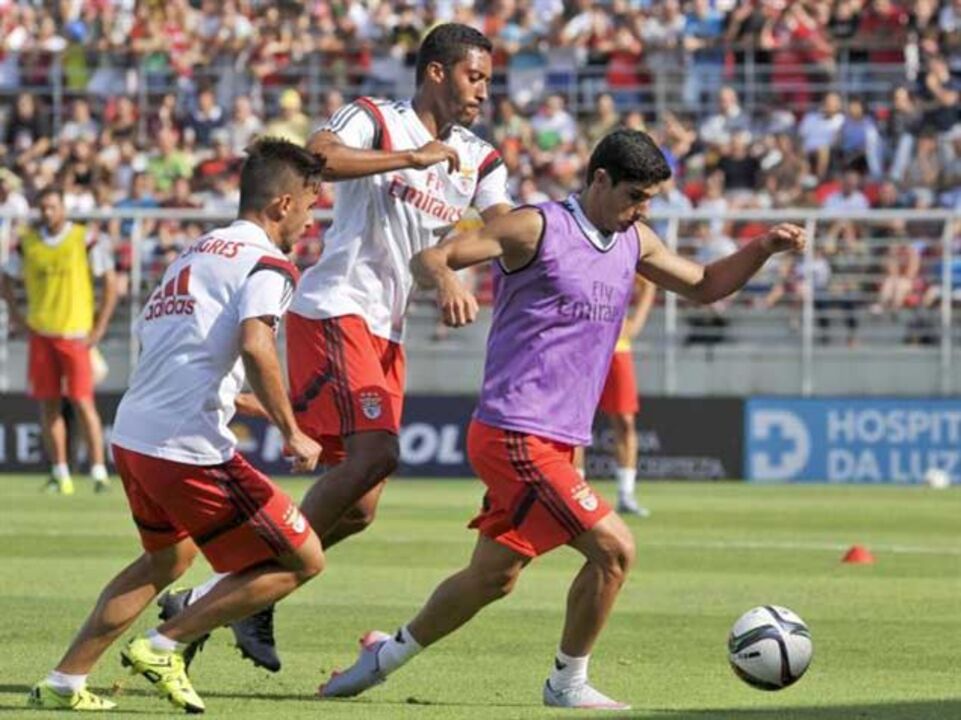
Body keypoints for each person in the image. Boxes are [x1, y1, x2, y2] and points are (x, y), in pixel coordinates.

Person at [319, 129, 805, 708]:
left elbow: (704, 286)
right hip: (514, 432)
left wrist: (762, 249)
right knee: (615, 551)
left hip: (560, 441)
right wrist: (449, 280)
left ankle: (385, 655)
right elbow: (432, 255)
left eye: (648, 199)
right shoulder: (536, 226)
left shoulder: (635, 240)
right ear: (599, 180)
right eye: (634, 196)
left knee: (493, 577)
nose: (641, 210)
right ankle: (566, 683)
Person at [165, 22, 512, 673]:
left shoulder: (479, 156)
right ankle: (246, 599)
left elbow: (505, 227)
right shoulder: (378, 118)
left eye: (488, 79)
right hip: (335, 309)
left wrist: (457, 265)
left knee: (359, 508)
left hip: (387, 330)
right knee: (376, 453)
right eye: (474, 76)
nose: (483, 92)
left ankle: (216, 595)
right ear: (436, 71)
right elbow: (316, 155)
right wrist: (409, 159)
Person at [26, 138, 327, 713]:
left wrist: (261, 407)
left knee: (168, 560)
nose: (310, 224)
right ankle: (166, 644)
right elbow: (257, 344)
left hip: (134, 436)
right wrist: (291, 430)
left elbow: (185, 355)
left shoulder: (192, 255)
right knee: (304, 558)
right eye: (311, 208)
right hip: (185, 447)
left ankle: (64, 680)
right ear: (283, 204)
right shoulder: (268, 262)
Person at [1, 187, 118, 494]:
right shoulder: (27, 244)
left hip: (76, 334)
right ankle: (60, 472)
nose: (48, 213)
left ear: (63, 208)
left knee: (82, 401)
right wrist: (16, 315)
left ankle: (98, 471)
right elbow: (5, 279)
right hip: (41, 334)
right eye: (43, 208)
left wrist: (100, 327)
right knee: (48, 405)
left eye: (53, 206)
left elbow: (110, 282)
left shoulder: (84, 238)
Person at [573, 276, 656, 516]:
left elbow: (648, 284)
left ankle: (626, 494)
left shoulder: (624, 249)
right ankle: (577, 493)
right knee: (575, 422)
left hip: (618, 349)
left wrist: (635, 322)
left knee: (625, 422)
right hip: (581, 345)